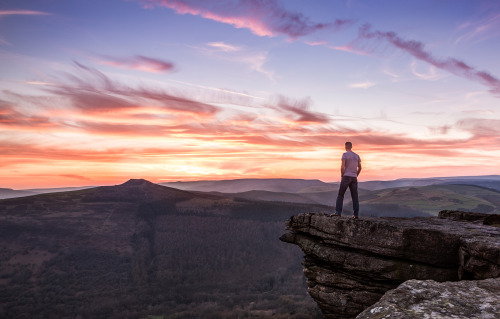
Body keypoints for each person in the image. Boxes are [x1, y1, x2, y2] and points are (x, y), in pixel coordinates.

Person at [332, 141, 362, 219]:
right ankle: (356, 215)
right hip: (354, 178)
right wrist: (356, 175)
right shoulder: (357, 156)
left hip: (346, 177)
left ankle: (338, 212)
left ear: (345, 147)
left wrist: (342, 175)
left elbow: (343, 166)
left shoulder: (345, 155)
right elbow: (360, 167)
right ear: (351, 147)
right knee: (355, 197)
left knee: (340, 195)